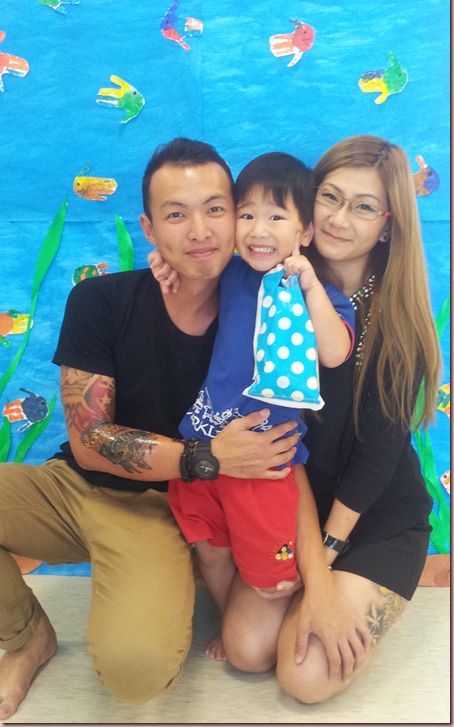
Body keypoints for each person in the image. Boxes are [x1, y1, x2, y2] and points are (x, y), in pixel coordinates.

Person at [0, 138, 302, 720]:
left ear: (238, 217)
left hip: (162, 513)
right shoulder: (100, 299)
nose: (200, 231)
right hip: (71, 487)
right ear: (149, 228)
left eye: (215, 209)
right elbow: (91, 441)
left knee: (135, 673)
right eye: (176, 214)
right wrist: (207, 455)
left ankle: (157, 586)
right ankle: (26, 637)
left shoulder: (270, 315)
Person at [218, 135, 441, 702]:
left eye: (364, 207)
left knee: (305, 676)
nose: (340, 219)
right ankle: (311, 587)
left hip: (375, 514)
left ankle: (335, 586)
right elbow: (207, 267)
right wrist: (167, 271)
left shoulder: (399, 320)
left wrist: (320, 575)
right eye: (330, 197)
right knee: (246, 650)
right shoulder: (270, 279)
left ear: (387, 226)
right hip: (292, 501)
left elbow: (376, 460)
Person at [149, 151, 355, 662]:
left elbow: (334, 352)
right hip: (203, 445)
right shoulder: (234, 274)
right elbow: (193, 274)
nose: (259, 230)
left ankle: (286, 607)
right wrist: (164, 265)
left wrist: (310, 287)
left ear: (305, 231)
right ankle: (227, 619)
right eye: (246, 214)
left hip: (265, 463)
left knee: (270, 578)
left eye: (276, 217)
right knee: (211, 552)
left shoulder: (325, 295)